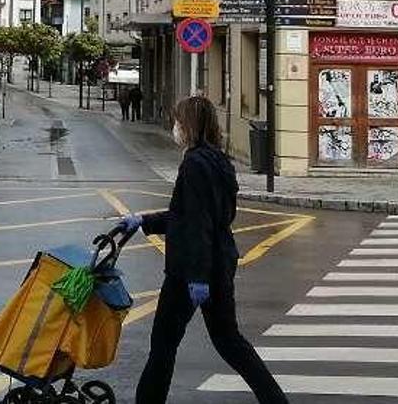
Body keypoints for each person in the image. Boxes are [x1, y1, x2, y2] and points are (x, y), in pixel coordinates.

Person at [117, 96, 288, 404]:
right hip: (219, 262)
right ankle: (275, 400)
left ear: (189, 126)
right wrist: (143, 220)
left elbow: (197, 224)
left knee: (163, 344)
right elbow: (195, 215)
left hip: (190, 270)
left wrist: (197, 276)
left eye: (178, 122)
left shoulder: (194, 164)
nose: (175, 127)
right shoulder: (219, 161)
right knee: (228, 340)